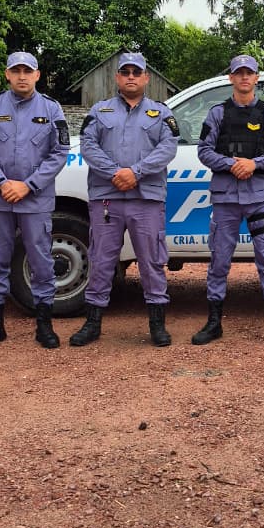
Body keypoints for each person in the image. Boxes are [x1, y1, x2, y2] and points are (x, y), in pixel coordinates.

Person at [70, 51, 179, 348]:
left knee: (152, 261)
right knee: (101, 260)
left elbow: (168, 148)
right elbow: (88, 147)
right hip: (108, 197)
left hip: (146, 199)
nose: (131, 76)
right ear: (117, 77)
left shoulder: (161, 113)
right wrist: (116, 173)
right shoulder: (100, 111)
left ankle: (157, 325)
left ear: (145, 78)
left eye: (136, 72)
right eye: (125, 72)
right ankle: (92, 323)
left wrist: (137, 173)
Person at [0, 51, 70, 349]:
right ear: (7, 74)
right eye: (16, 71)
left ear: (37, 75)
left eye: (28, 71)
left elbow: (60, 152)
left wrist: (28, 185)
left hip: (34, 199)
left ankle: (44, 325)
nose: (22, 76)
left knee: (40, 259)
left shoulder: (51, 109)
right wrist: (1, 182)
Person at [192, 54, 264, 347]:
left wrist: (255, 163)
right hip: (225, 199)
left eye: (249, 73)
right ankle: (214, 322)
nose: (245, 77)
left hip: (259, 198)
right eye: (239, 73)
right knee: (219, 259)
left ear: (256, 78)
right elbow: (204, 151)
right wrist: (230, 164)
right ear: (231, 78)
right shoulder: (217, 114)